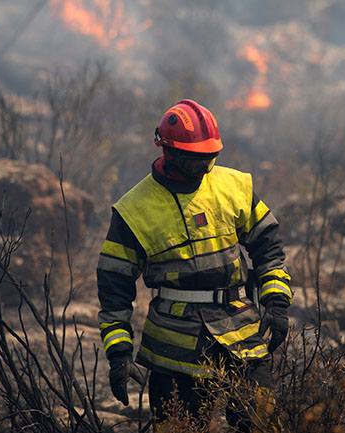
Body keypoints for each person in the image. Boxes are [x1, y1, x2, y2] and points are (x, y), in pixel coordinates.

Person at [97, 99, 291, 432]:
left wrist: (276, 302)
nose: (203, 169)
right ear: (168, 152)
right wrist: (119, 353)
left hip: (241, 333)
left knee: (262, 424)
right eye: (193, 161)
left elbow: (268, 246)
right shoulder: (134, 210)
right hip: (174, 350)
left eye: (209, 159)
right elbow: (114, 286)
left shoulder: (233, 186)